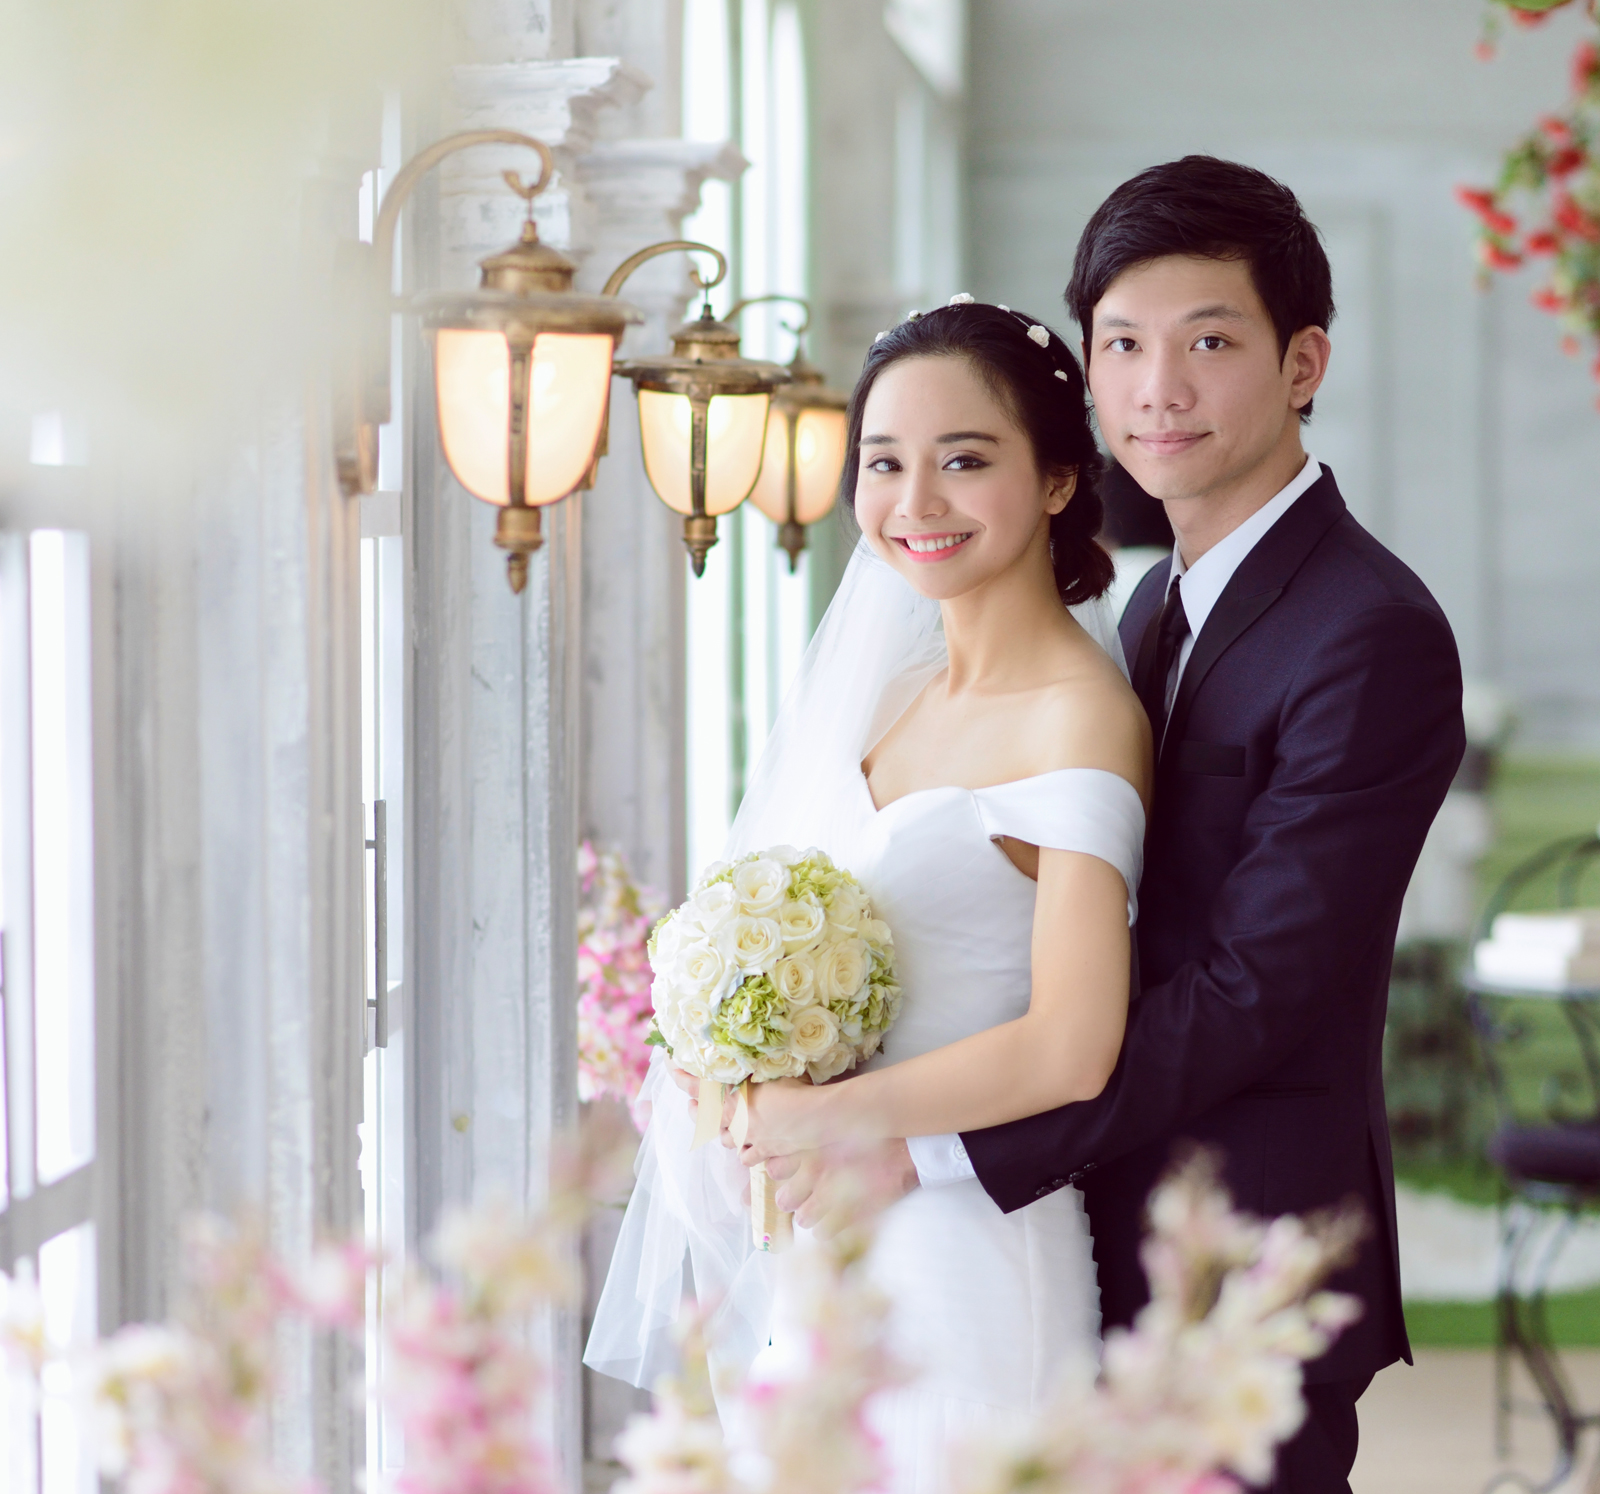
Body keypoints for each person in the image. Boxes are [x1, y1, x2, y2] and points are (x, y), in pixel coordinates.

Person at [740, 157, 1467, 1494]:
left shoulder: (1369, 632)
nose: (1158, 388)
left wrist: (936, 1148)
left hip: (1236, 1239)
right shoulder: (1148, 610)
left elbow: (1256, 988)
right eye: (1122, 344)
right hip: (1077, 1215)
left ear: (1304, 362)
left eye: (1209, 343)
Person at [585, 298, 1151, 1485]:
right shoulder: (886, 693)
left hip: (964, 1250)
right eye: (885, 463)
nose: (916, 500)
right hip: (824, 1230)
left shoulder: (1080, 716)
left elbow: (1072, 1046)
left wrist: (826, 1117)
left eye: (965, 460)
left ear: (1057, 479)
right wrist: (731, 1059)